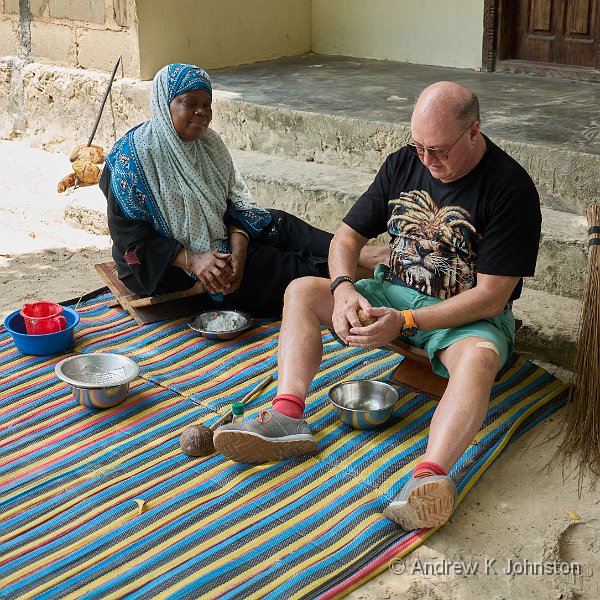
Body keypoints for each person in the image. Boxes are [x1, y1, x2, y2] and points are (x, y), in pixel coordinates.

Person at [213, 81, 542, 531]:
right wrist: (346, 286)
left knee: (480, 360)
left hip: (464, 312)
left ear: (473, 132)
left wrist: (405, 321)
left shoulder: (510, 189)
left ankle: (429, 479)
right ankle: (288, 416)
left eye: (439, 150)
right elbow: (347, 237)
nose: (427, 161)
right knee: (303, 291)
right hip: (392, 292)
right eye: (419, 147)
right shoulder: (404, 163)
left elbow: (491, 296)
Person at [100, 63, 385, 316]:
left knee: (278, 223)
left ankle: (355, 254)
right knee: (275, 265)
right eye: (190, 103)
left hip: (219, 244)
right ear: (165, 104)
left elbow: (236, 202)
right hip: (165, 266)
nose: (202, 112)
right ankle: (355, 277)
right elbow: (129, 238)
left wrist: (239, 249)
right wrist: (194, 259)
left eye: (207, 104)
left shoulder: (209, 146)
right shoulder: (132, 158)